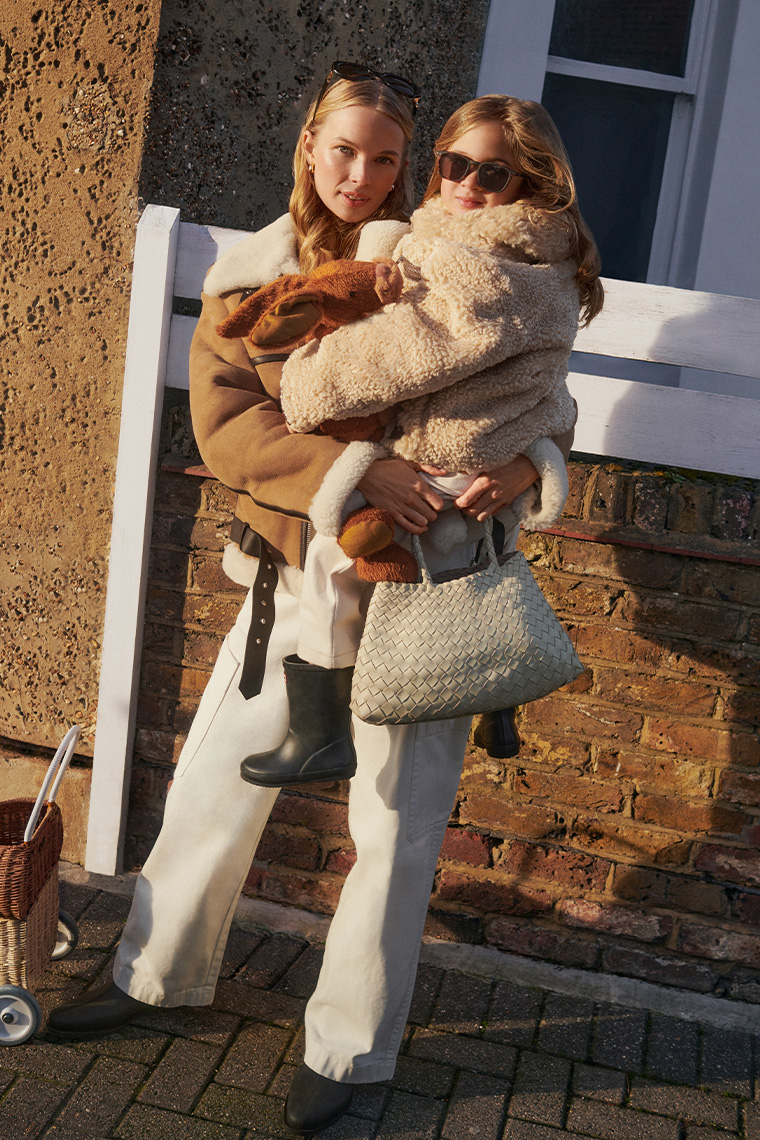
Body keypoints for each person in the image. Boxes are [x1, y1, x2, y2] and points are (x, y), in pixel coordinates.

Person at [47, 66, 589, 1137]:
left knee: (395, 825)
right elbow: (228, 426)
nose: (364, 174)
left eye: (388, 157)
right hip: (291, 578)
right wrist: (355, 476)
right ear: (309, 148)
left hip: (430, 586)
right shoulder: (256, 268)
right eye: (347, 151)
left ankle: (352, 1046)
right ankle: (152, 973)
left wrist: (525, 471)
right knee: (212, 787)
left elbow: (546, 404)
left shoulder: (461, 257)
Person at [235, 94, 602, 790]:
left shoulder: (473, 272)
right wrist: (532, 453)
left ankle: (320, 738)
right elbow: (550, 394)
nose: (466, 184)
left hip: (440, 476)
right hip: (456, 474)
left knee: (340, 570)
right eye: (453, 163)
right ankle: (497, 697)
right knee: (462, 592)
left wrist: (308, 377)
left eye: (491, 173)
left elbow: (342, 382)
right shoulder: (524, 259)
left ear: (531, 180)